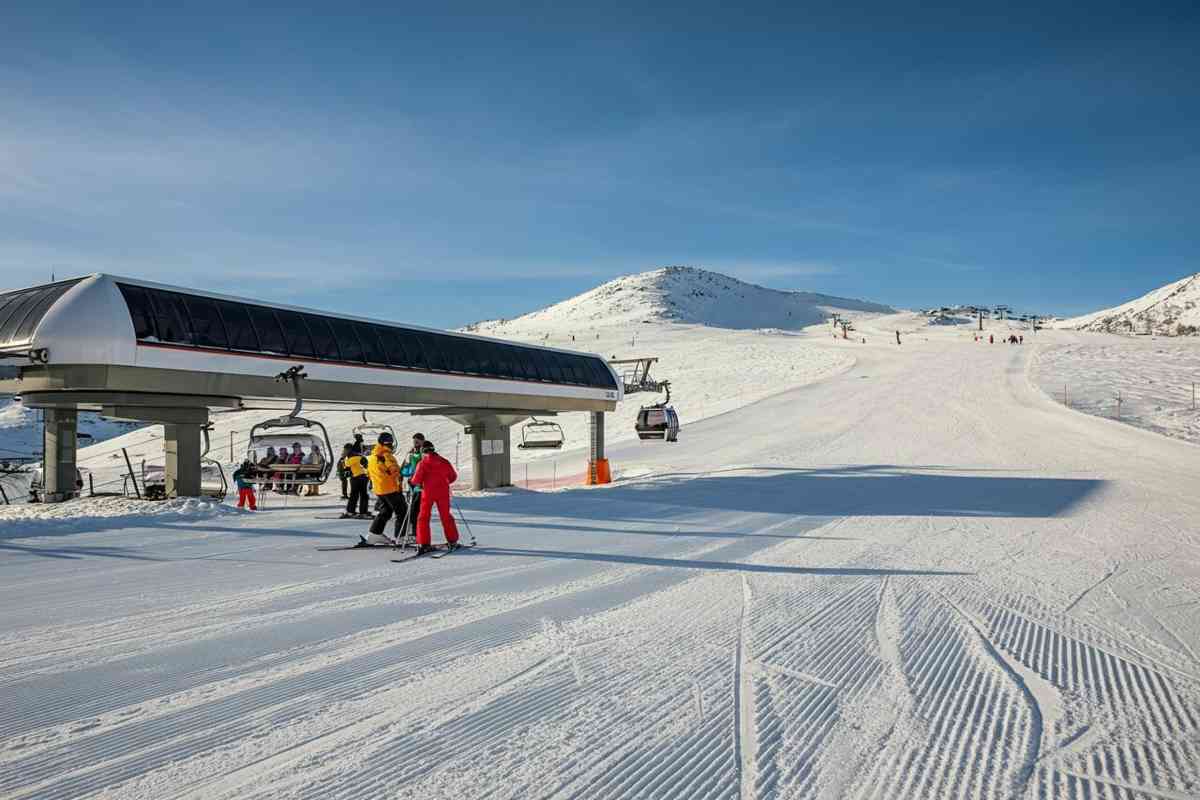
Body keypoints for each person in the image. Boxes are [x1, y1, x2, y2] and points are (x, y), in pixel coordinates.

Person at [410, 440, 460, 554]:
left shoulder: (422, 463)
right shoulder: (444, 461)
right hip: (443, 492)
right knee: (446, 516)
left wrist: (413, 482)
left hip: (428, 493)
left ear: (423, 451)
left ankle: (424, 543)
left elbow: (416, 480)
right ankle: (452, 541)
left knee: (423, 517)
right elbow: (453, 476)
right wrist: (444, 481)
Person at [365, 432, 408, 545]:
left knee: (385, 511)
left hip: (379, 489)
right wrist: (402, 472)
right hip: (390, 488)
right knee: (402, 511)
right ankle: (401, 537)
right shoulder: (386, 455)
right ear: (389, 443)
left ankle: (374, 534)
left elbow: (369, 473)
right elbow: (395, 471)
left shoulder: (372, 456)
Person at [399, 433, 426, 538]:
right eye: (414, 441)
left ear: (422, 441)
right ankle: (414, 531)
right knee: (412, 509)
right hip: (412, 485)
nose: (416, 443)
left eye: (418, 441)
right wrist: (403, 474)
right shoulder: (411, 453)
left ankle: (417, 532)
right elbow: (405, 469)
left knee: (417, 510)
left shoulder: (425, 453)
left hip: (421, 486)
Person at [342, 443, 370, 518]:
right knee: (364, 495)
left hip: (356, 478)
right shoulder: (360, 456)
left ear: (348, 450)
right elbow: (366, 464)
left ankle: (350, 511)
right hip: (365, 477)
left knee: (354, 495)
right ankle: (363, 512)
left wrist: (343, 459)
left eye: (345, 449)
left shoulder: (350, 458)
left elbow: (346, 467)